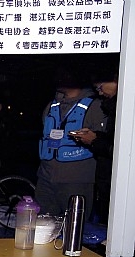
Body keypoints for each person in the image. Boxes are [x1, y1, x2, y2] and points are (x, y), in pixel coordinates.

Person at [35, 69, 105, 218]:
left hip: (76, 181)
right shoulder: (51, 106)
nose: (58, 78)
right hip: (46, 178)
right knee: (43, 225)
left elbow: (104, 142)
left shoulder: (95, 106)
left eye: (63, 74)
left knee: (75, 225)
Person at [70, 71, 118, 224]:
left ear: (115, 80)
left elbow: (121, 151)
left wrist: (94, 141)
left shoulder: (125, 109)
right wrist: (94, 136)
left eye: (100, 87)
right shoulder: (113, 107)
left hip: (115, 183)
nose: (100, 93)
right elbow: (113, 139)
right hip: (106, 181)